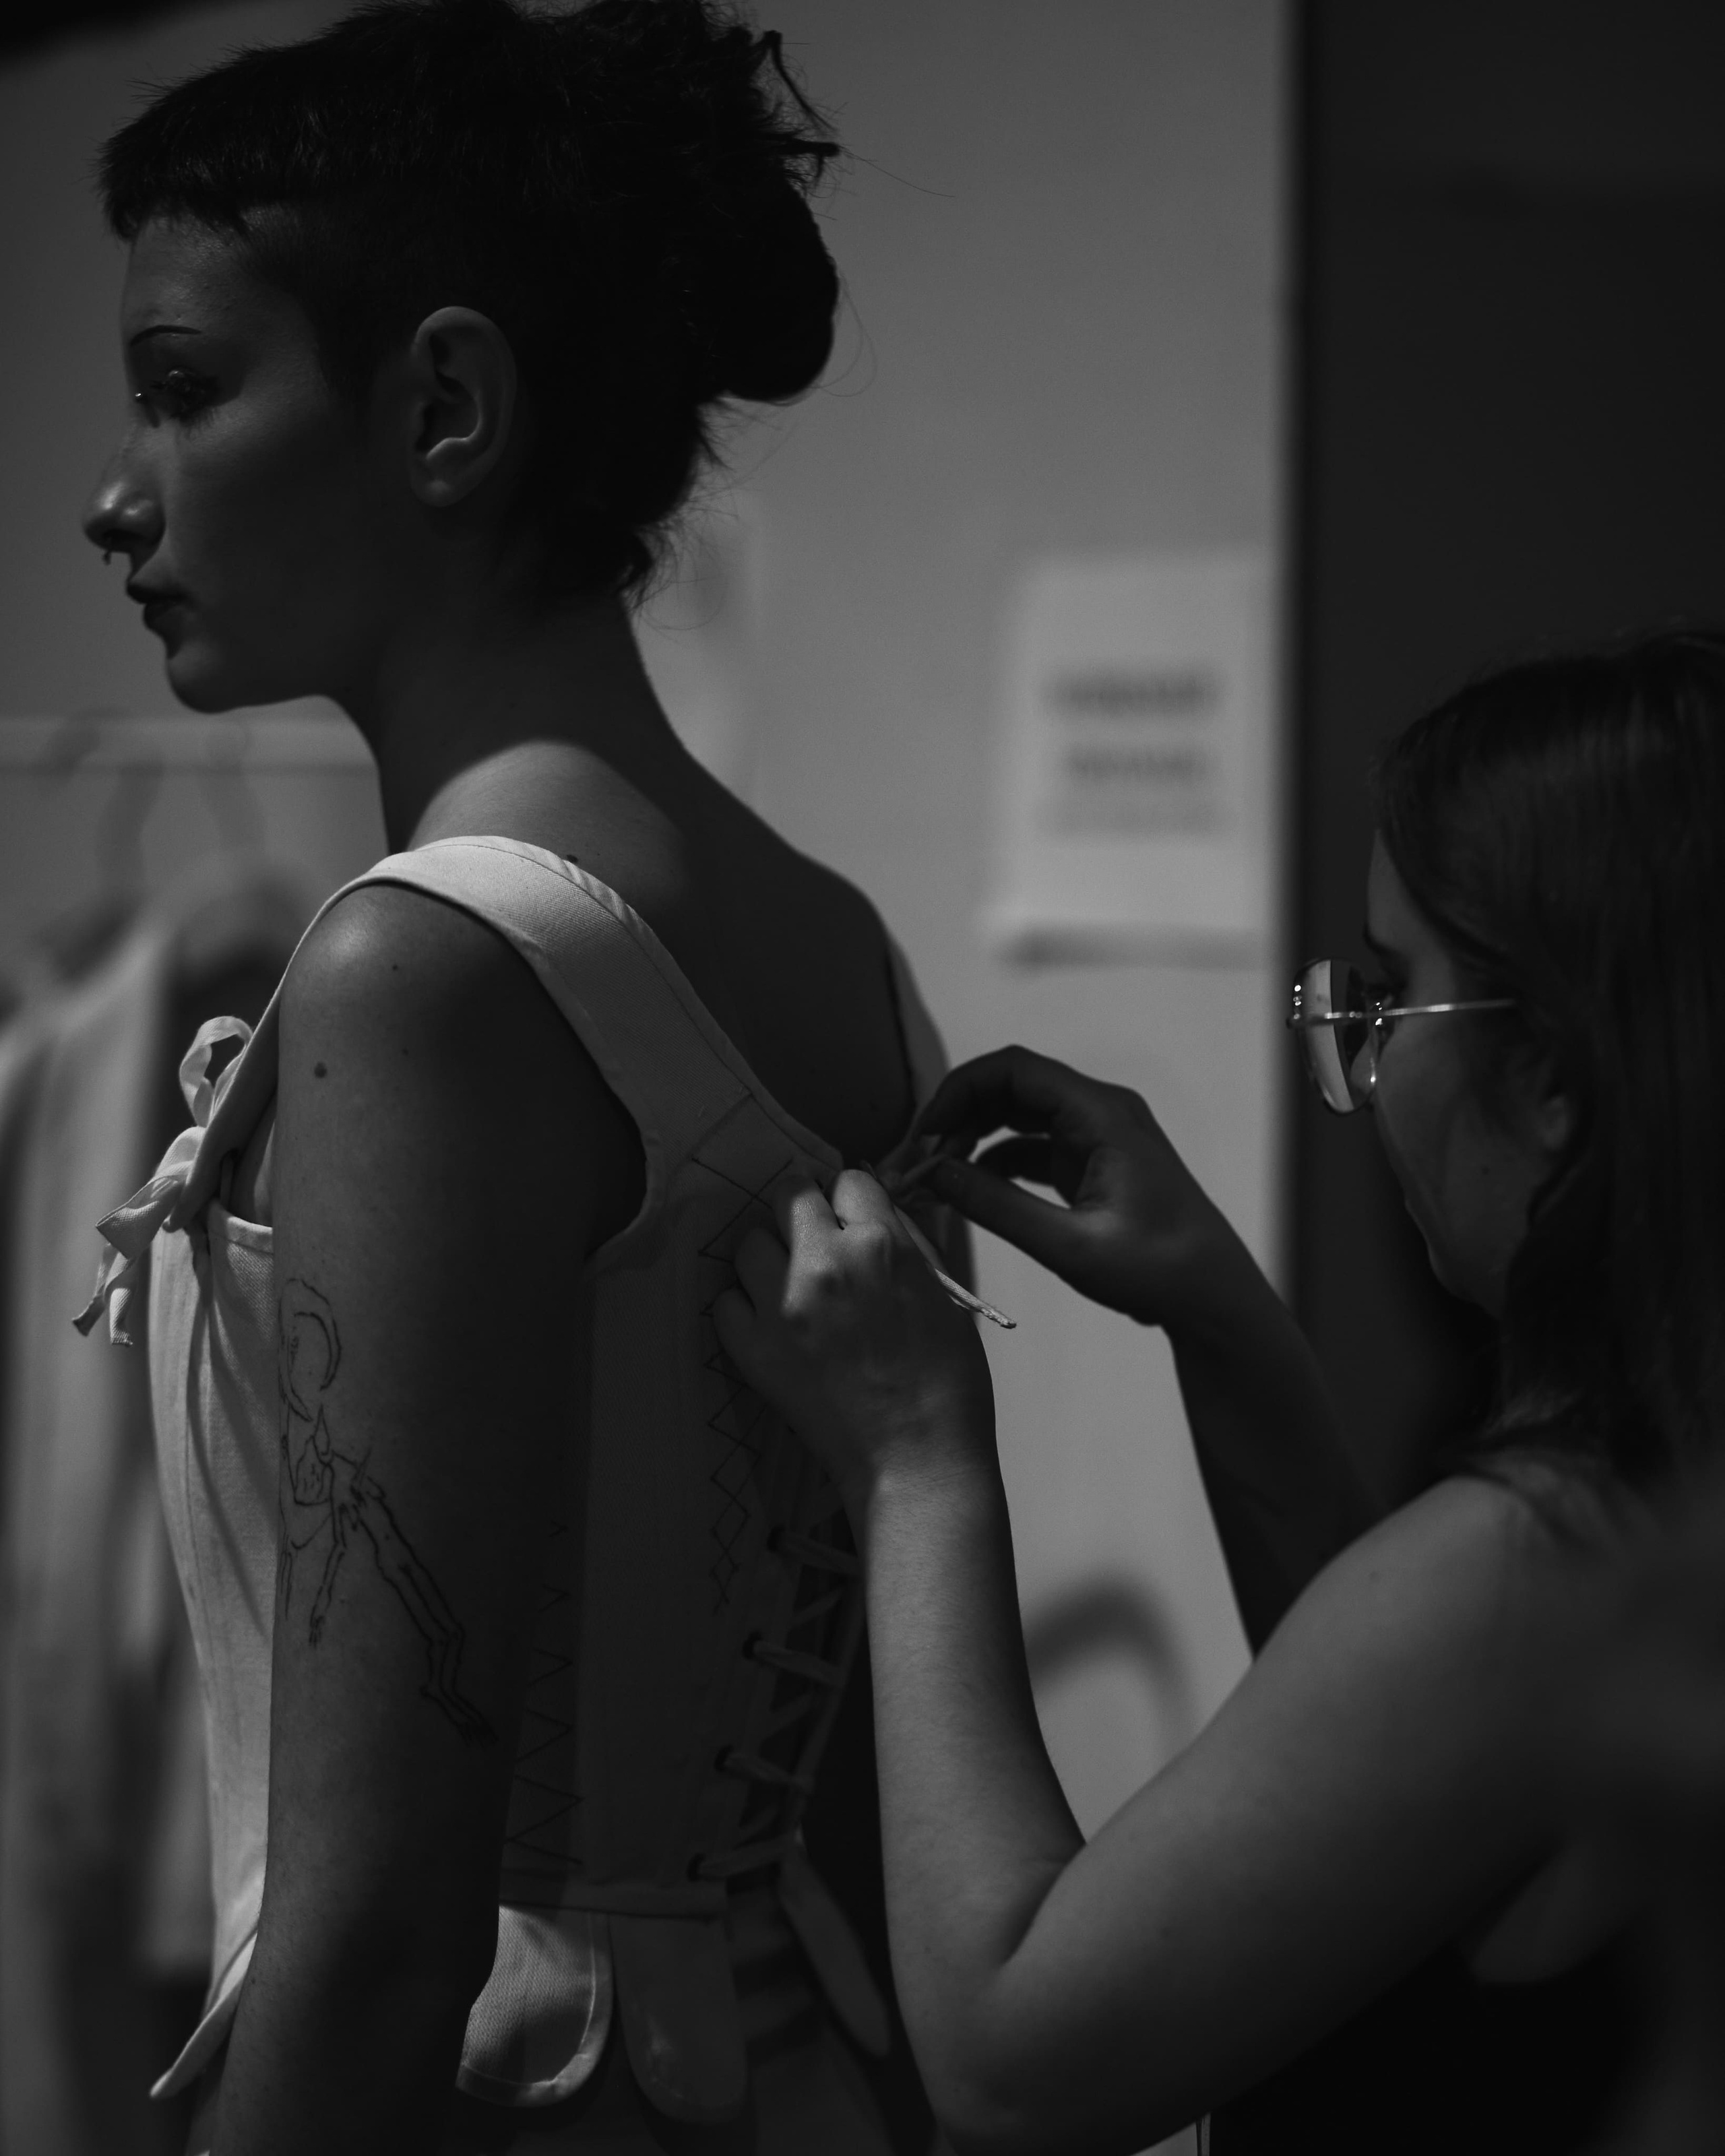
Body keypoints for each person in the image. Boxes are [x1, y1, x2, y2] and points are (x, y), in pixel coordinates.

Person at [75, 2, 955, 2149]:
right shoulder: (826, 933)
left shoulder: (429, 971)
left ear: (444, 406)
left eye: (187, 395)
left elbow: (386, 1933)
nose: (119, 497)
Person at [714, 631, 1725, 2152]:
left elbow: (1010, 2062)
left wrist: (917, 1462)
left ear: (1553, 1082)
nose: (1364, 1063)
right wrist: (1219, 1319)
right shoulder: (1656, 1480)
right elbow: (1392, 1764)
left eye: (1389, 998)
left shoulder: (1538, 1555)